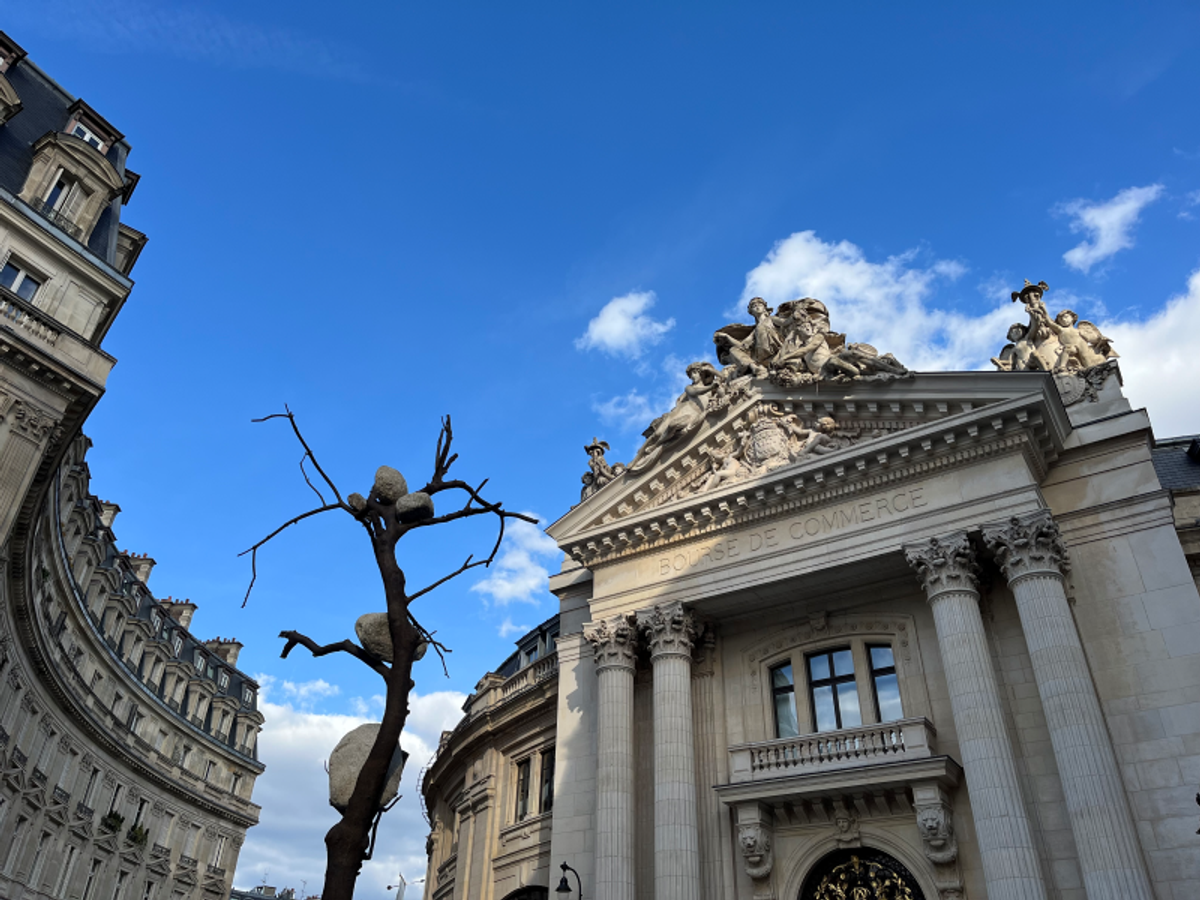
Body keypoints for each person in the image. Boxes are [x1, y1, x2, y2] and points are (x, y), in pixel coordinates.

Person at [627, 362, 719, 473]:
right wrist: (711, 386)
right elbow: (694, 392)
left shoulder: (712, 389)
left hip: (693, 414)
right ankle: (636, 459)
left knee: (673, 425)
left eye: (694, 373)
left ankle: (656, 445)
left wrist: (712, 372)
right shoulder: (690, 388)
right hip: (682, 410)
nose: (692, 377)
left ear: (701, 374)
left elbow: (722, 383)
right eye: (691, 375)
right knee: (656, 434)